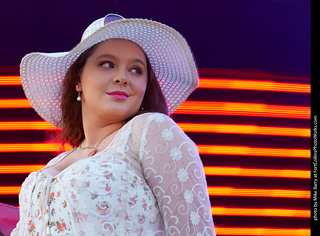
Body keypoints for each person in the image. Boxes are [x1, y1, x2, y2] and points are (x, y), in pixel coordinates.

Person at [11, 13, 216, 236]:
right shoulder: (60, 161)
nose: (122, 77)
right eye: (107, 64)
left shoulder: (151, 130)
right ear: (78, 79)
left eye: (136, 69)